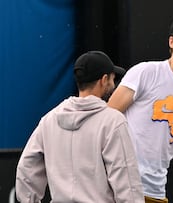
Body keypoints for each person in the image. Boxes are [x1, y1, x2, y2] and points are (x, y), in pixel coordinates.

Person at [16, 51, 145, 203]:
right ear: (103, 80)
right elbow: (126, 179)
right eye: (112, 79)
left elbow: (27, 169)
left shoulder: (49, 120)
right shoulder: (113, 121)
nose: (113, 84)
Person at [108, 15, 173, 203]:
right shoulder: (146, 72)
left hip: (155, 191)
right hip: (118, 187)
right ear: (172, 42)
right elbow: (106, 118)